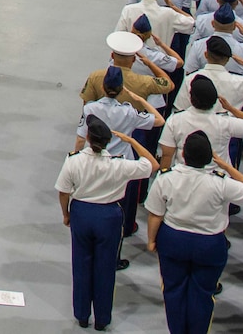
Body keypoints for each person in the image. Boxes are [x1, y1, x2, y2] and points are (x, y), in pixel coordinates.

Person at [144, 130, 243, 334]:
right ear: (209, 158)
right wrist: (225, 165)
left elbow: (156, 214)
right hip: (209, 243)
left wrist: (152, 240)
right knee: (203, 293)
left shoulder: (166, 178)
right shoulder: (220, 182)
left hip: (174, 239)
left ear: (183, 155)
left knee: (173, 291)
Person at [57, 115, 160, 332]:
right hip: (109, 216)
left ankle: (82, 315)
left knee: (81, 264)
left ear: (87, 137)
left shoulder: (73, 160)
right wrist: (132, 141)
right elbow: (153, 165)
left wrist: (66, 215)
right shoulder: (120, 164)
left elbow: (64, 191)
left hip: (82, 213)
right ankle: (102, 319)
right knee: (105, 268)